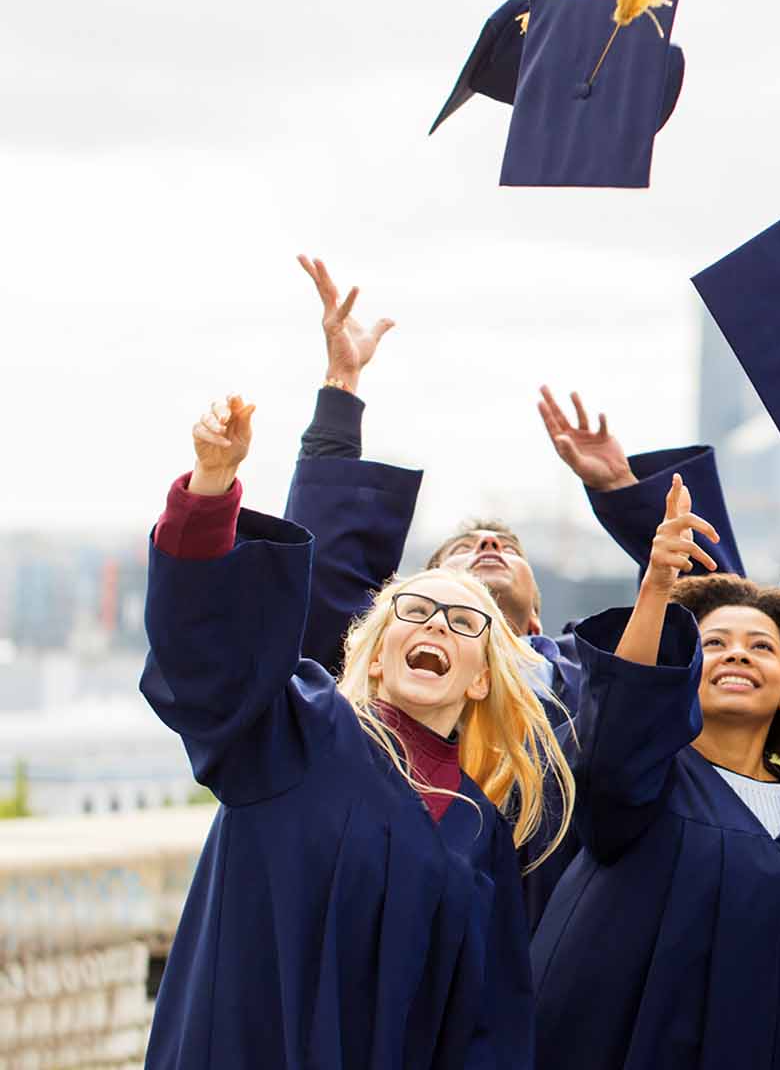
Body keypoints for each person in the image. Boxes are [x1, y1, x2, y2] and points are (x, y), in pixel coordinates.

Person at [141, 394, 574, 1068]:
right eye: (417, 609)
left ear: (482, 677)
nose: (437, 624)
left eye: (464, 623)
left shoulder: (477, 829)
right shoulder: (296, 730)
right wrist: (212, 487)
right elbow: (207, 655)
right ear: (375, 651)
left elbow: (485, 1023)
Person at [282, 253, 683, 922]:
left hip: (556, 939)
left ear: (536, 619)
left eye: (506, 547)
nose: (488, 547)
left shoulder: (590, 681)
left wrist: (621, 490)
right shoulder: (392, 676)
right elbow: (322, 576)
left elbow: (705, 624)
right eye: (461, 552)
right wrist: (341, 388)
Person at [529, 477, 780, 1070]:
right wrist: (657, 589)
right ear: (683, 670)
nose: (737, 653)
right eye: (715, 643)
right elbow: (620, 721)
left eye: (761, 647)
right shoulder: (643, 776)